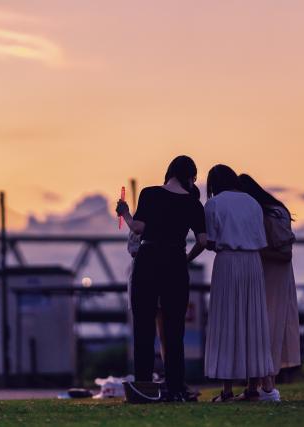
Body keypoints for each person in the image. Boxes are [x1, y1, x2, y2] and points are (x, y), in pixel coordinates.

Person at [116, 155, 207, 401]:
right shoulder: (193, 203)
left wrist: (125, 213)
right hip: (175, 260)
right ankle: (175, 387)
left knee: (144, 325)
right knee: (174, 328)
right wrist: (187, 258)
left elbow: (138, 228)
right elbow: (203, 240)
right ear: (190, 177)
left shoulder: (150, 193)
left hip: (148, 259)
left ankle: (143, 387)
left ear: (169, 173)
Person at [203, 164, 274, 402]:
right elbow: (260, 238)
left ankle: (226, 390)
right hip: (253, 263)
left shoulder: (213, 204)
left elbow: (210, 241)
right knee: (253, 321)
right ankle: (253, 387)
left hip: (227, 262)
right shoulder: (253, 203)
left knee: (226, 321)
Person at [239, 174, 301, 402]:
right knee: (269, 328)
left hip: (270, 276)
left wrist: (254, 249)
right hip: (276, 277)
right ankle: (256, 387)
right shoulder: (277, 211)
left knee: (264, 328)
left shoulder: (268, 215)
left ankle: (267, 387)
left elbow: (285, 254)